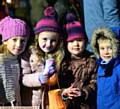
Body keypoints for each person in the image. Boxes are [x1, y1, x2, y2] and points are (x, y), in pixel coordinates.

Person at [21, 6, 65, 108]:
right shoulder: (29, 54)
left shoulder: (58, 56)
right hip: (32, 103)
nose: (49, 44)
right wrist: (39, 78)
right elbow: (23, 78)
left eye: (53, 40)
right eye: (44, 39)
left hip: (50, 103)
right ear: (37, 38)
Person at [59, 13, 97, 109]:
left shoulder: (91, 61)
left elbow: (95, 82)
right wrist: (64, 92)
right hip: (67, 105)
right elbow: (58, 84)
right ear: (66, 43)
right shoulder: (63, 62)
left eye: (79, 40)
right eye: (71, 41)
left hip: (85, 104)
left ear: (85, 41)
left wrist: (84, 92)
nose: (76, 44)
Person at [0, 16, 29, 106]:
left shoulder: (17, 58)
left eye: (23, 41)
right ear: (5, 41)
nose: (19, 44)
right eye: (14, 39)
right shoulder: (1, 60)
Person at [91, 28, 120, 109]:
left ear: (116, 48)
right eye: (102, 48)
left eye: (110, 48)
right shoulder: (101, 67)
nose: (106, 52)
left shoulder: (118, 68)